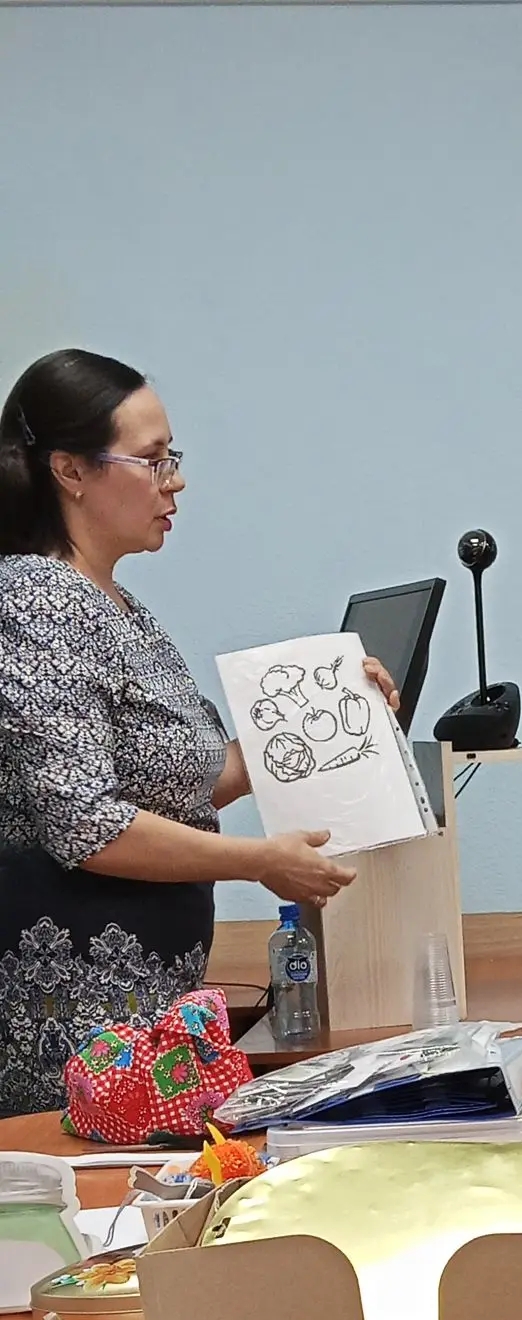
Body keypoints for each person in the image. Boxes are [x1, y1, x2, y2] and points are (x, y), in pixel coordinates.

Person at [0, 350, 398, 1116]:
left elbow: (193, 777)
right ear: (70, 471)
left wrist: (336, 709)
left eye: (171, 458)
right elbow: (85, 824)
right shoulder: (37, 601)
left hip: (145, 1010)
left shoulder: (119, 606)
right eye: (152, 460)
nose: (174, 481)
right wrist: (259, 861)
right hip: (74, 1029)